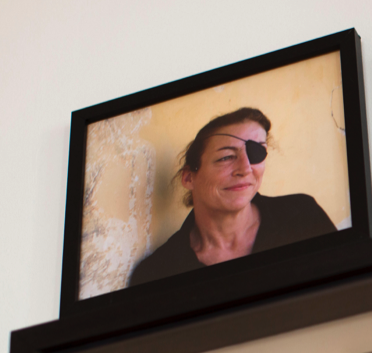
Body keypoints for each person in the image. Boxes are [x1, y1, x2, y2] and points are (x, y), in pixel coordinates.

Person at [129, 107, 336, 286]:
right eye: (226, 157)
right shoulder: (158, 273)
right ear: (189, 178)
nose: (245, 169)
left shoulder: (303, 217)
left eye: (256, 154)